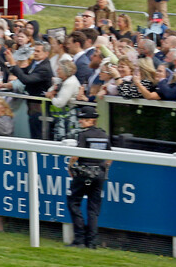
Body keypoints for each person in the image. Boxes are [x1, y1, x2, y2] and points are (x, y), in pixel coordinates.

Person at [66, 106, 111, 249]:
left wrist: (70, 166)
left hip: (84, 172)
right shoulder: (104, 135)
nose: (80, 122)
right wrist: (104, 170)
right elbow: (110, 158)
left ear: (91, 120)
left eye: (83, 120)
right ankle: (91, 242)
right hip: (99, 174)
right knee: (93, 209)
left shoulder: (83, 135)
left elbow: (76, 155)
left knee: (73, 202)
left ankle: (79, 239)